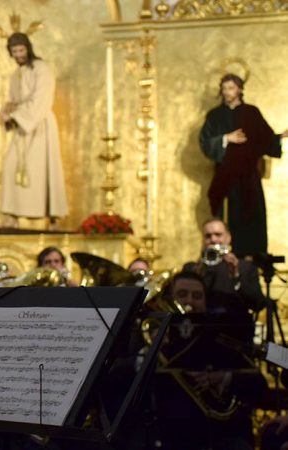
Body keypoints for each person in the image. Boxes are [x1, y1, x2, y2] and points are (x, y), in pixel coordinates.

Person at [149, 271, 265, 450]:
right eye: (181, 295)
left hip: (224, 434)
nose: (189, 302)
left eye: (197, 296)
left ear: (205, 302)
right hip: (172, 435)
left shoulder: (223, 335)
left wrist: (224, 378)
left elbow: (259, 388)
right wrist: (154, 352)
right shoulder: (153, 338)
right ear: (169, 300)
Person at [199, 73, 287, 258]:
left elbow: (265, 139)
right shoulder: (215, 116)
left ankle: (252, 256)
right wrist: (225, 138)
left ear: (239, 89)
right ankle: (222, 254)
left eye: (230, 88)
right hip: (225, 176)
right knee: (226, 212)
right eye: (223, 89)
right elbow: (205, 142)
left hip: (248, 177)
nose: (226, 92)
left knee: (251, 215)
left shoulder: (251, 113)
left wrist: (280, 137)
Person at [0, 32, 67, 229]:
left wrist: (16, 117)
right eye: (14, 52)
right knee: (11, 165)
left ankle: (53, 217)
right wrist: (6, 113)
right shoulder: (15, 75)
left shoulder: (41, 69)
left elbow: (41, 100)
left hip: (39, 125)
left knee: (43, 170)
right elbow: (14, 100)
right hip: (21, 128)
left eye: (21, 50)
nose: (19, 55)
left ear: (28, 48)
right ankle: (12, 215)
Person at [184, 218, 266, 314]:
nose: (213, 240)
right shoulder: (191, 268)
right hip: (201, 325)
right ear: (203, 240)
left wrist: (236, 276)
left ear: (228, 238)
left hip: (234, 326)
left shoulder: (246, 267)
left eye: (218, 235)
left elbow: (258, 304)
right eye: (208, 236)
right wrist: (199, 270)